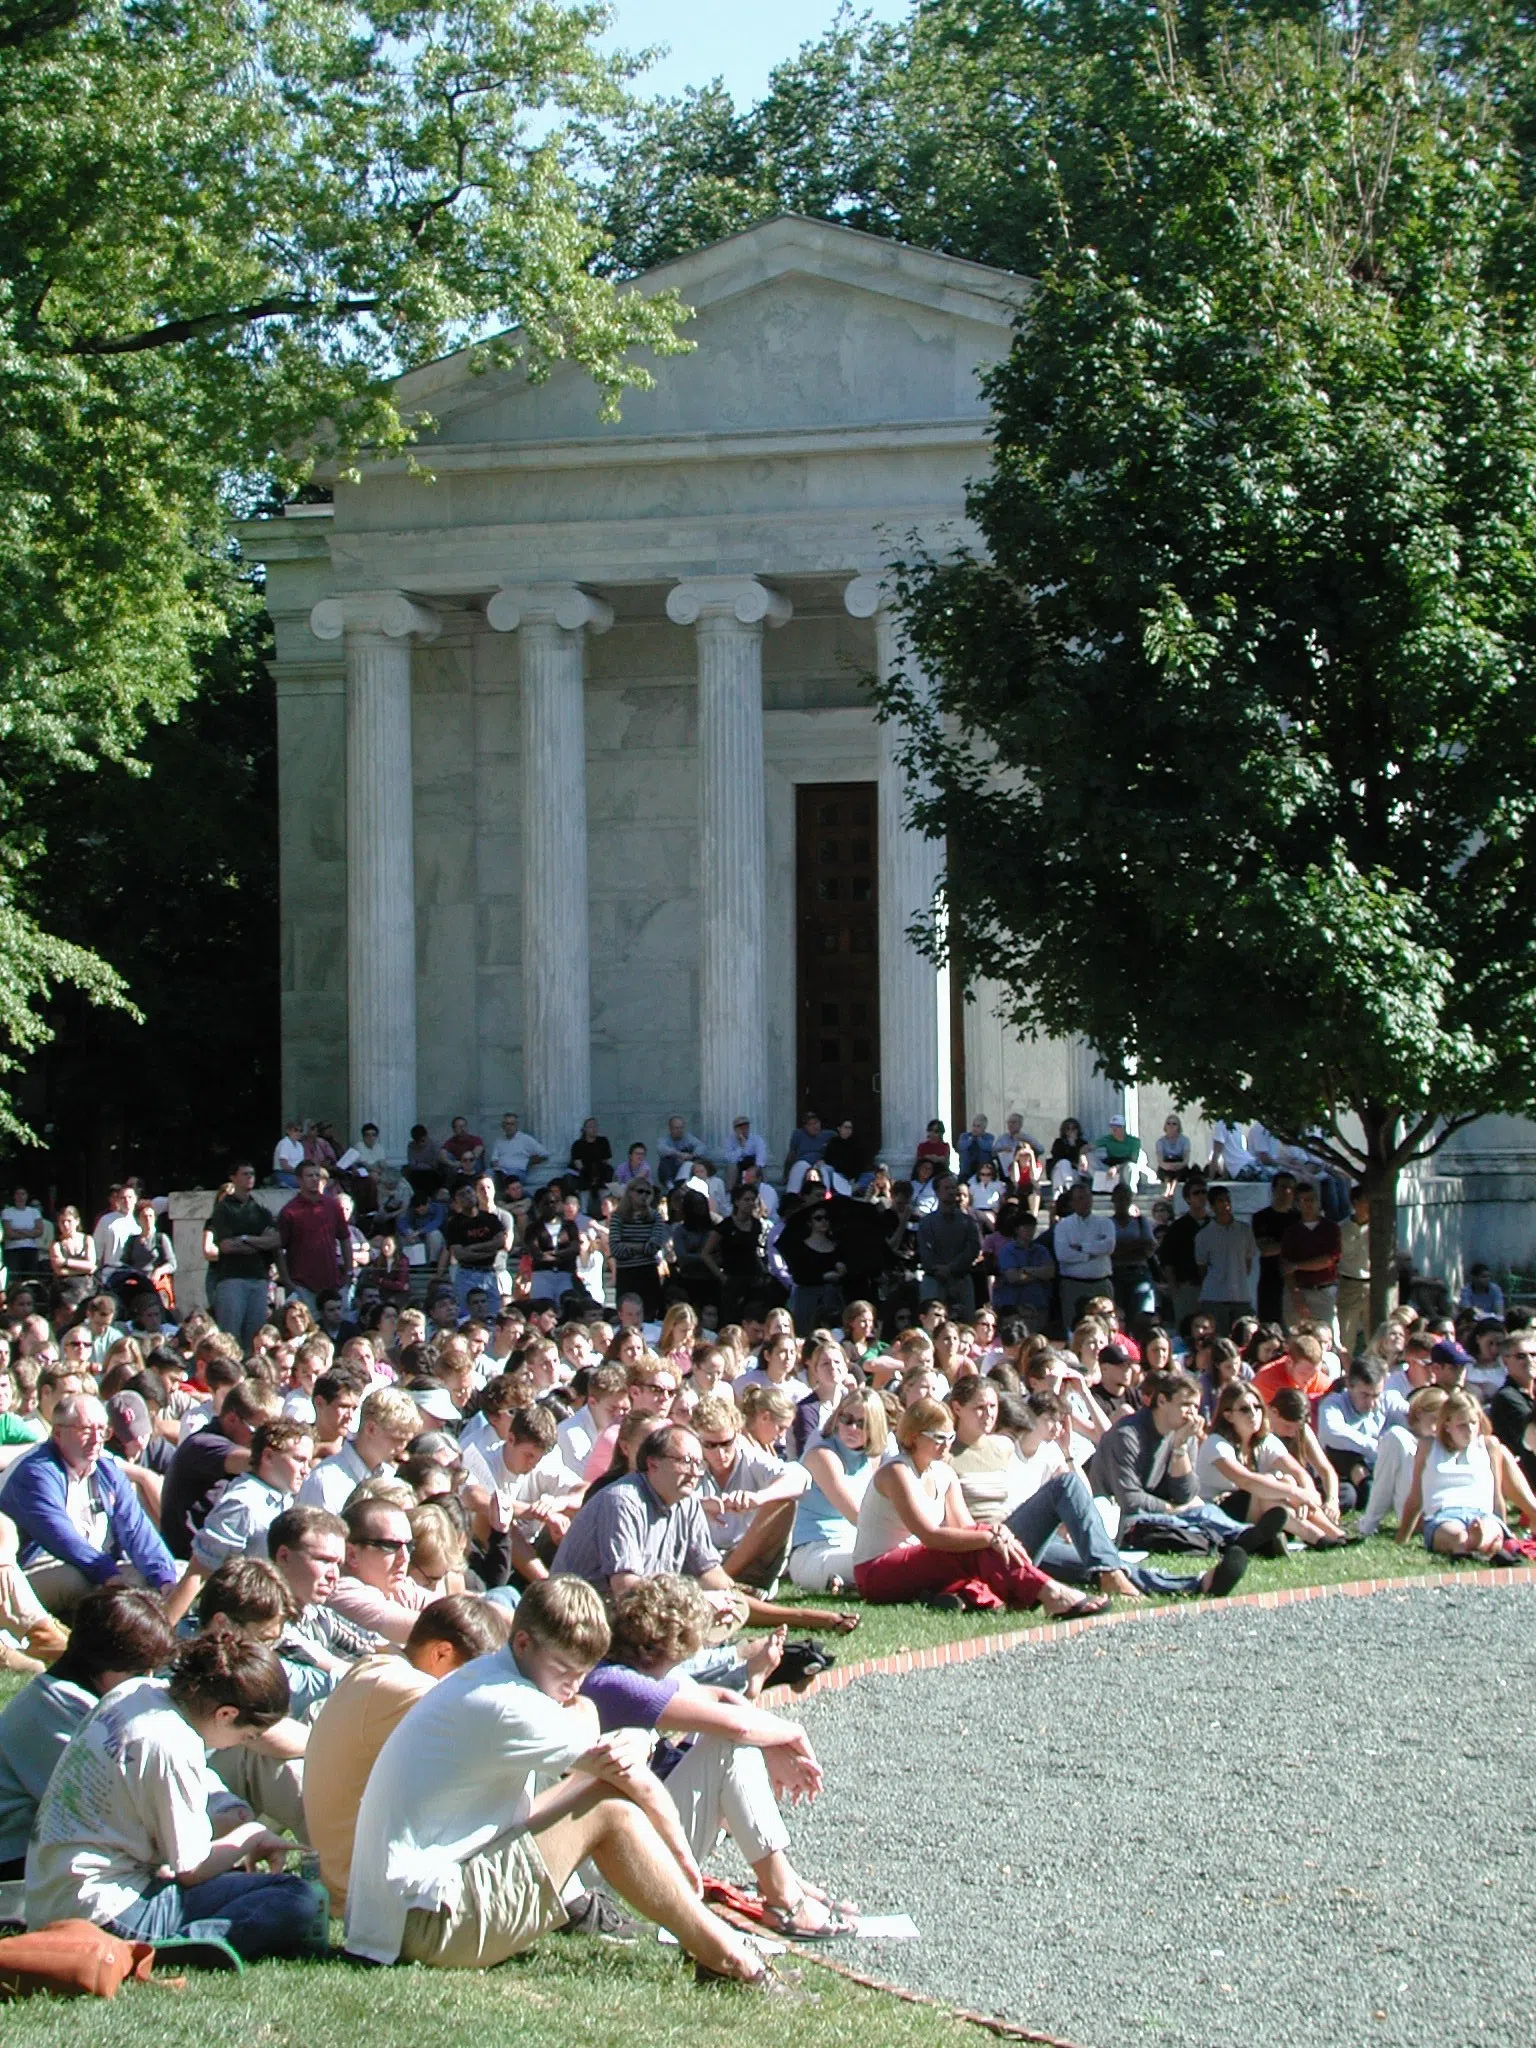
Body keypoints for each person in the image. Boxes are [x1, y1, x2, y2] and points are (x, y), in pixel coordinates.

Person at [343, 1575, 781, 1987]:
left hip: (396, 1917)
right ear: (523, 1642)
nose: (570, 1687)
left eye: (581, 1674)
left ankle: (709, 1945)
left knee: (598, 1791)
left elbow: (586, 1731)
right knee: (610, 1809)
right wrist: (688, 1868)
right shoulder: (508, 1704)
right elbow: (639, 1784)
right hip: (419, 1925)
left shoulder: (488, 1676)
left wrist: (597, 1723)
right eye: (562, 1669)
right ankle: (732, 1961)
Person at [25, 1624, 329, 1959]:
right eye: (249, 1736)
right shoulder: (171, 1744)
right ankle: (171, 1947)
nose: (246, 1743)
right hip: (105, 1909)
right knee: (296, 1899)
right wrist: (251, 1836)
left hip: (50, 1893)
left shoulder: (136, 1692)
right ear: (226, 1714)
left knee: (267, 1888)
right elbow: (191, 1870)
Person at [585, 1576, 854, 1938]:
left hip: (625, 1847)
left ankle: (783, 1880)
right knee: (728, 1747)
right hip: (614, 1870)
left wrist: (773, 1744)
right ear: (658, 1650)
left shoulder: (624, 1670)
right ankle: (785, 1902)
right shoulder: (617, 1684)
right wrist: (793, 1734)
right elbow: (738, 1728)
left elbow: (723, 1699)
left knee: (720, 1737)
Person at [302, 1594, 511, 1912]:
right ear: (441, 1653)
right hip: (366, 1892)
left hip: (354, 1878)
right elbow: (502, 1734)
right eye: (474, 1679)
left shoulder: (380, 1670)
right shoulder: (403, 1687)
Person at [851, 1398, 1105, 1616]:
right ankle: (1047, 1592)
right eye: (938, 1437)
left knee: (983, 1537)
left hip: (917, 1561)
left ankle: (990, 1594)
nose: (946, 1444)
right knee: (980, 1541)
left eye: (950, 1436)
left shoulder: (944, 1473)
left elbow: (965, 1528)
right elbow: (929, 1536)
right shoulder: (897, 1472)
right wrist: (987, 1537)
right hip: (877, 1570)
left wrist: (995, 1533)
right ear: (913, 1437)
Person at [0, 1588, 175, 1878]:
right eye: (138, 1671)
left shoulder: (81, 1698)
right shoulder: (56, 1710)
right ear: (102, 1661)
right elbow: (107, 1813)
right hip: (14, 1856)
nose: (148, 1681)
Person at [0, 1394, 176, 1616]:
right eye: (85, 1430)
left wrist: (165, 1578)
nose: (96, 1439)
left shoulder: (107, 1469)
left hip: (91, 1563)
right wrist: (108, 1574)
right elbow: (62, 1538)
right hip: (27, 1571)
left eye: (102, 1430)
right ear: (57, 1433)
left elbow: (136, 1529)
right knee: (79, 1581)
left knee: (150, 1577)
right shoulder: (36, 1472)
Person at [1086, 1372, 1288, 1556]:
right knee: (1177, 1525)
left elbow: (1185, 1493)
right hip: (1126, 1520)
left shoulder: (1185, 1431)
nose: (1192, 1414)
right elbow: (1130, 1500)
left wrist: (1180, 1448)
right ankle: (1244, 1542)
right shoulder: (1127, 1436)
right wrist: (1175, 1509)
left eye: (1195, 1407)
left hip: (1166, 1508)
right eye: (1185, 1405)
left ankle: (1249, 1536)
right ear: (1163, 1400)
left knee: (1206, 1512)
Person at [163, 1418, 316, 1625]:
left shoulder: (285, 1499)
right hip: (240, 1620)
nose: (306, 1470)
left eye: (308, 1462)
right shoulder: (243, 1503)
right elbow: (199, 1572)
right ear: (268, 1457)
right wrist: (164, 1631)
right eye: (298, 1460)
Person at [1195, 1383, 1346, 1546]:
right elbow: (1246, 1481)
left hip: (1253, 1507)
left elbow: (1299, 1473)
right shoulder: (1216, 1443)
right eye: (1245, 1409)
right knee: (1266, 1488)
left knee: (1286, 1480)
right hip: (1218, 1513)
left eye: (1257, 1407)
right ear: (1229, 1415)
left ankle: (1336, 1534)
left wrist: (1307, 1495)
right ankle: (1318, 1538)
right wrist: (1296, 1493)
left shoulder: (1265, 1440)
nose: (1253, 1414)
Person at [789, 1387, 887, 1592]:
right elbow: (857, 1516)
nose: (852, 1428)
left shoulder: (871, 1458)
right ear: (836, 1418)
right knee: (889, 1562)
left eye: (862, 1424)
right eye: (847, 1419)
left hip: (855, 1547)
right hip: (814, 1551)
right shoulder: (822, 1455)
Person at [1398, 1390, 1506, 1556]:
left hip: (1481, 1512)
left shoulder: (1489, 1445)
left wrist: (1502, 1524)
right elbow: (1416, 1496)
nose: (1469, 1430)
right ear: (1447, 1426)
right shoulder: (1428, 1447)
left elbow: (1496, 1496)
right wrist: (1402, 1538)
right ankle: (1472, 1544)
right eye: (1462, 1425)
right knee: (1457, 1535)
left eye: (1473, 1423)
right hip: (1444, 1513)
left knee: (1489, 1530)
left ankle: (1476, 1543)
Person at [297, 1385, 421, 1514]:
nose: (402, 1448)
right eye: (397, 1439)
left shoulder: (390, 1477)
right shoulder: (325, 1483)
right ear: (371, 1429)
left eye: (407, 1441)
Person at [208, 1164, 280, 1352]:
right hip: (232, 1279)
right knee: (230, 1336)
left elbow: (274, 1241)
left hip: (259, 1279)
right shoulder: (223, 1209)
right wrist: (259, 1243)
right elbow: (226, 1246)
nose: (250, 1177)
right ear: (234, 1178)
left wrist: (245, 1239)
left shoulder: (260, 1210)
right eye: (245, 1174)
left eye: (252, 1173)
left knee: (256, 1338)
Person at [1315, 1356, 1391, 1511]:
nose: (1371, 1403)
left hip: (1375, 1468)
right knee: (1347, 1494)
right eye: (1364, 1395)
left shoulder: (1385, 1401)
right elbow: (1332, 1433)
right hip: (1337, 1472)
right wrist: (1374, 1447)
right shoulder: (1333, 1404)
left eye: (1376, 1395)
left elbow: (1410, 1415)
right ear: (1349, 1385)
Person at [276, 1160, 353, 1311]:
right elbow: (278, 1248)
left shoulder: (333, 1206)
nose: (314, 1179)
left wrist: (349, 1271)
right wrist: (286, 1281)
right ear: (299, 1180)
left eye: (317, 1175)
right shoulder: (289, 1211)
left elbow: (345, 1238)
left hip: (333, 1283)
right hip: (302, 1285)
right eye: (309, 1175)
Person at [915, 1173, 984, 1318]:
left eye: (954, 1188)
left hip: (961, 1278)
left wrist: (952, 1268)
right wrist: (940, 1269)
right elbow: (925, 1251)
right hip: (934, 1278)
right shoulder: (926, 1222)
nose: (952, 1192)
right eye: (947, 1188)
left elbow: (972, 1248)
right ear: (937, 1192)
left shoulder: (968, 1221)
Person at [1052, 1179, 1117, 1331]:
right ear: (1072, 1202)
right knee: (1073, 1328)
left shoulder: (1105, 1223)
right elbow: (1062, 1254)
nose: (1084, 1201)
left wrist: (1081, 1247)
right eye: (1079, 1198)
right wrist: (1090, 1254)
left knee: (1106, 1327)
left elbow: (1108, 1247)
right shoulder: (1063, 1225)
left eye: (1087, 1197)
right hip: (1073, 1284)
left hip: (1101, 1283)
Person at [1280, 1181, 1341, 1331]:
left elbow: (1328, 1260)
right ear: (1297, 1204)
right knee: (1296, 1340)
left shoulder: (1331, 1228)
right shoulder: (1291, 1232)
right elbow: (1286, 1266)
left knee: (1327, 1338)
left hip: (1324, 1291)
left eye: (1312, 1200)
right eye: (1304, 1200)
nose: (1309, 1204)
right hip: (1299, 1291)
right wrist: (1296, 1296)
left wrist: (1297, 1266)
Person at [1, 1187, 44, 1279]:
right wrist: (29, 1233)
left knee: (31, 1278)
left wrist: (19, 1231)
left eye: (23, 1194)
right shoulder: (7, 1212)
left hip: (31, 1249)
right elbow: (9, 1234)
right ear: (14, 1196)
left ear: (27, 1196)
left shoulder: (34, 1212)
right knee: (14, 1278)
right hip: (12, 1251)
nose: (20, 1197)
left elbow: (39, 1231)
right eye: (18, 1194)